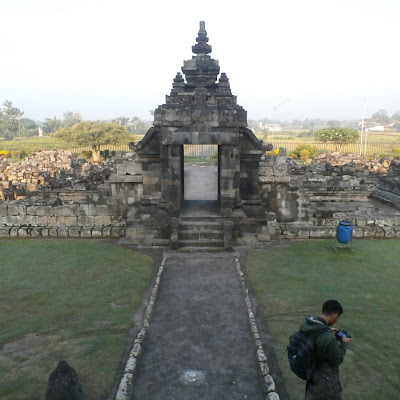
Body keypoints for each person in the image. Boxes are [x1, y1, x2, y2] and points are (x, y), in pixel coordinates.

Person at [300, 300, 353, 400]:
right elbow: (337, 359)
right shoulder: (328, 338)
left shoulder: (307, 324)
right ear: (334, 315)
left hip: (310, 373)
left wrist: (327, 330)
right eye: (337, 318)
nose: (336, 320)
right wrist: (344, 343)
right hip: (324, 381)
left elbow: (315, 337)